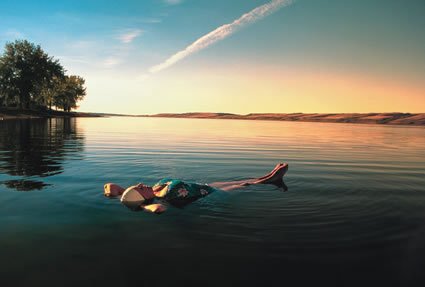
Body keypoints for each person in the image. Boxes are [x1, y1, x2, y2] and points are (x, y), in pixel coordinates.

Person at [104, 163, 288, 214]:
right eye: (139, 189)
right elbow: (158, 209)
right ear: (143, 198)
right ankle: (274, 178)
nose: (140, 184)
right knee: (244, 185)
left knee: (243, 180)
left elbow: (113, 188)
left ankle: (267, 175)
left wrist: (123, 193)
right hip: (215, 194)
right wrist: (143, 207)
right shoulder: (163, 198)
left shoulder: (156, 188)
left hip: (206, 187)